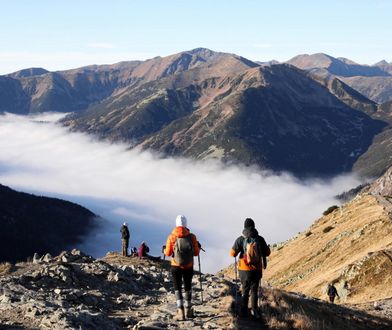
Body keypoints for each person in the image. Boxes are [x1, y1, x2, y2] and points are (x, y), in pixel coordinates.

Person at [230, 218, 270, 318]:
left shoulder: (241, 239)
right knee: (254, 291)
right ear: (254, 226)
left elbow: (232, 253)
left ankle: (243, 311)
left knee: (245, 290)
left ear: (244, 227)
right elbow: (267, 252)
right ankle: (254, 311)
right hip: (256, 270)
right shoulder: (259, 239)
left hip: (244, 270)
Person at [164, 215, 200, 321]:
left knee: (177, 288)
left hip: (176, 266)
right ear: (186, 224)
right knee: (188, 286)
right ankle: (189, 309)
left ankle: (180, 312)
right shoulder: (192, 237)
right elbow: (196, 253)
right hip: (188, 266)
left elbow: (168, 252)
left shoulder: (172, 236)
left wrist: (165, 249)